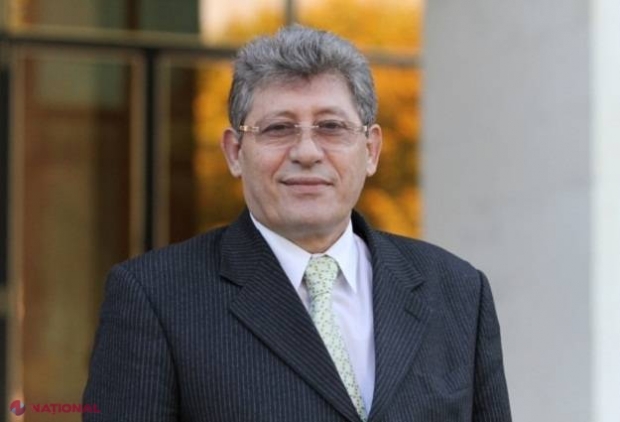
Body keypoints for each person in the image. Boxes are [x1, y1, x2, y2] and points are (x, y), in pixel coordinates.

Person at [82, 25, 512, 422]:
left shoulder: (458, 291)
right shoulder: (155, 299)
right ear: (235, 152)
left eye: (331, 126)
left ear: (371, 150)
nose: (307, 152)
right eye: (278, 128)